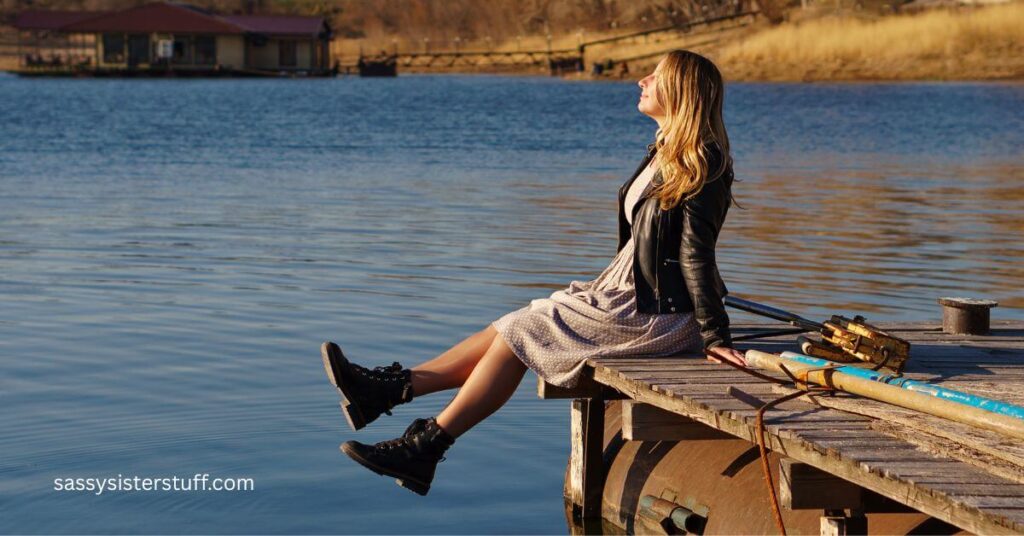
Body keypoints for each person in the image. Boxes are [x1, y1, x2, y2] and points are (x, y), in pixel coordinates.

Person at [319, 49, 746, 496]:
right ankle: (393, 392)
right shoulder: (664, 153)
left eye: (654, 76)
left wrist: (715, 337)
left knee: (525, 330)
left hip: (659, 315)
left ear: (680, 90)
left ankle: (422, 442)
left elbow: (696, 256)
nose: (642, 81)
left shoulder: (703, 162)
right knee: (521, 319)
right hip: (626, 293)